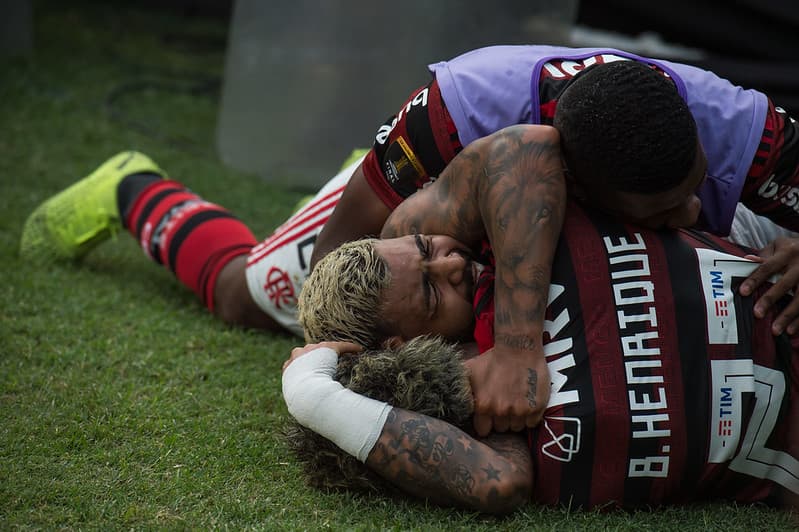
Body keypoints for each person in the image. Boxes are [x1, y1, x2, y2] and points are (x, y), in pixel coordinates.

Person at [20, 48, 799, 434]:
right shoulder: (459, 110)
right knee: (256, 297)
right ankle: (132, 187)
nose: (690, 208)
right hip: (414, 205)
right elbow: (338, 273)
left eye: (695, 187)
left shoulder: (747, 134)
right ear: (578, 189)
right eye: (662, 212)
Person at [283, 200, 799, 513]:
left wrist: (518, 345)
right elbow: (497, 484)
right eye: (431, 292)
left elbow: (528, 144)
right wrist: (313, 397)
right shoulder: (488, 412)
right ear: (402, 349)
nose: (453, 263)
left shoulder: (513, 225)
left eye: (426, 246)